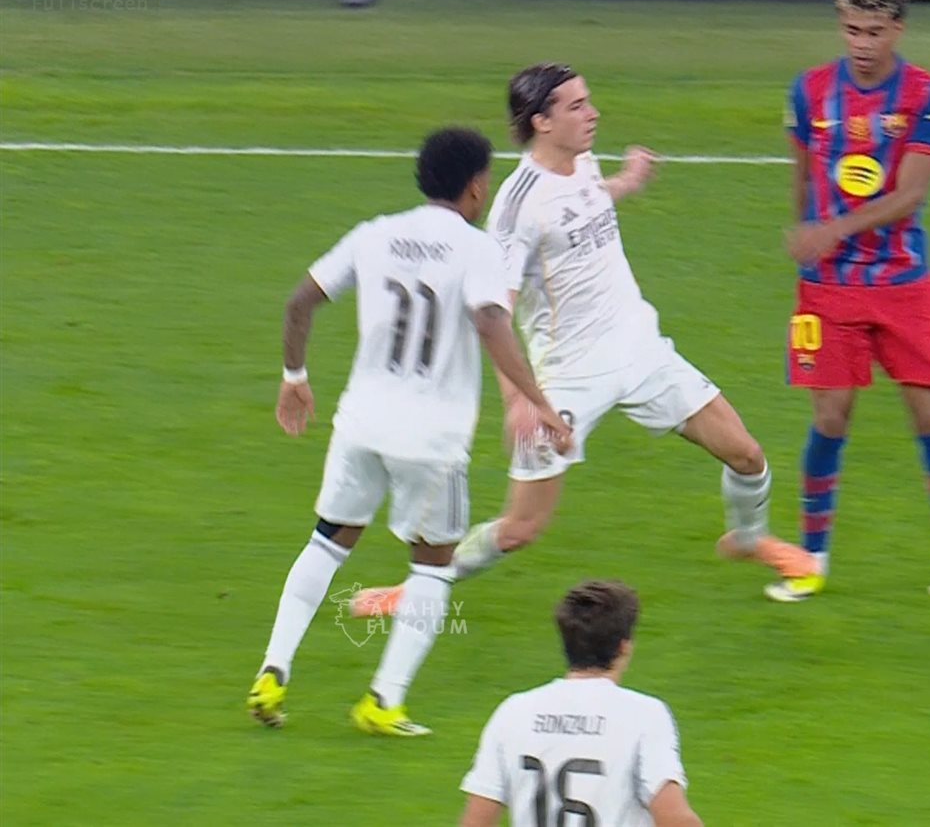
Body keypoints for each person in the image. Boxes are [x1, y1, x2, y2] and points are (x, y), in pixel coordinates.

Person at [349, 63, 815, 620]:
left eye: (588, 101)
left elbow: (586, 200)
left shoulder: (582, 160)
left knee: (747, 455)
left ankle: (748, 538)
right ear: (541, 122)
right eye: (577, 106)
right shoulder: (517, 204)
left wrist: (627, 182)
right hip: (568, 377)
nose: (593, 114)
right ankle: (416, 589)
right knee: (521, 527)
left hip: (641, 351)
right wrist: (519, 401)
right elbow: (494, 311)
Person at [246, 126, 573, 737]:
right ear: (476, 186)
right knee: (432, 567)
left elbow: (298, 302)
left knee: (327, 542)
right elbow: (491, 324)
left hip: (361, 423)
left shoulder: (374, 234)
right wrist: (540, 404)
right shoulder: (476, 249)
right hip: (431, 440)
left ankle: (272, 671)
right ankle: (383, 701)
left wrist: (294, 377)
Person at [768, 0, 930, 602]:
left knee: (928, 412)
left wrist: (831, 229)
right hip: (827, 288)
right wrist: (807, 237)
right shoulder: (808, 90)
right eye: (852, 30)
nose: (862, 43)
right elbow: (803, 173)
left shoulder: (928, 94)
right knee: (829, 418)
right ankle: (811, 559)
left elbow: (911, 193)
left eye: (875, 32)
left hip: (902, 282)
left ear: (898, 30)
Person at [458, 580, 703, 827]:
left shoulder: (514, 711)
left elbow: (475, 822)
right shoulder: (644, 715)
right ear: (624, 647)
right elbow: (675, 818)